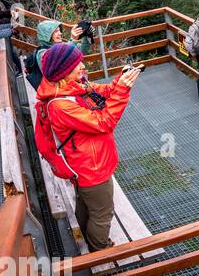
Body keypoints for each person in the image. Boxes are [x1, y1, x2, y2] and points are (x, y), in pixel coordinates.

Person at [35, 42, 141, 251]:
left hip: (85, 164)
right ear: (64, 70)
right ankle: (100, 250)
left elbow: (103, 92)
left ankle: (83, 240)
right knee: (103, 213)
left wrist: (120, 81)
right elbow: (104, 122)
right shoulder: (60, 105)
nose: (82, 66)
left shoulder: (71, 87)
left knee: (86, 206)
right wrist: (123, 91)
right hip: (91, 168)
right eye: (77, 63)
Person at [26, 18, 91, 91]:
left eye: (59, 31)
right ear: (47, 35)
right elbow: (58, 63)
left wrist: (87, 36)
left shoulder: (61, 46)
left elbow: (81, 51)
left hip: (68, 85)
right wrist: (73, 40)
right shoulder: (42, 53)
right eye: (56, 31)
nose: (60, 33)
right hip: (57, 90)